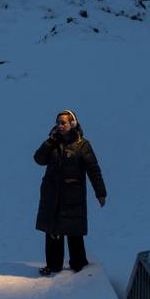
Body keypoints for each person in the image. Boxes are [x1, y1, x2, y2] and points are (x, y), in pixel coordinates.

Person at [34, 110, 107, 276]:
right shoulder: (53, 143)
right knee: (53, 230)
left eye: (64, 122)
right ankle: (53, 265)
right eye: (58, 122)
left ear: (72, 124)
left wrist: (100, 192)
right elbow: (38, 159)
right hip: (52, 194)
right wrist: (50, 141)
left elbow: (93, 170)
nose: (60, 125)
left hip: (72, 195)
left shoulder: (83, 145)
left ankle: (79, 265)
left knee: (74, 230)